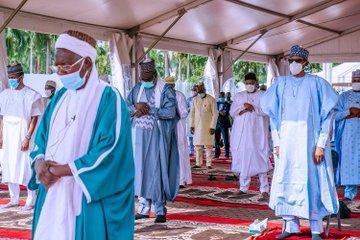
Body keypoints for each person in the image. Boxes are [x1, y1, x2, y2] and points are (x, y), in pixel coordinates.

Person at [29, 30, 134, 239]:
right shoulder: (59, 97)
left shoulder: (107, 97)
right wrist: (39, 162)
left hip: (85, 192)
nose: (60, 72)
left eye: (66, 66)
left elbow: (112, 149)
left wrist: (64, 170)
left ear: (86, 63)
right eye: (57, 66)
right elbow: (41, 137)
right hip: (52, 189)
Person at [260, 45, 339, 240]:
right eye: (291, 60)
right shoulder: (280, 84)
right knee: (286, 182)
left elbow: (327, 117)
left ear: (305, 62)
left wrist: (321, 145)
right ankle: (290, 226)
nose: (294, 63)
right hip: (286, 145)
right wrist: (276, 142)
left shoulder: (317, 84)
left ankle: (316, 230)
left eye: (298, 60)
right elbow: (273, 117)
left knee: (312, 183)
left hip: (309, 146)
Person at [128, 58, 179, 223]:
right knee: (140, 171)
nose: (145, 78)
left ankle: (159, 210)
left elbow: (170, 112)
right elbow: (125, 106)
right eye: (142, 75)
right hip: (139, 137)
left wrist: (151, 110)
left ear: (154, 73)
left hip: (157, 138)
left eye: (147, 75)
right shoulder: (137, 89)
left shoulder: (165, 90)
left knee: (156, 171)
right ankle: (143, 208)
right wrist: (136, 108)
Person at [0, 63, 42, 211]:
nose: (11, 80)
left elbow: (34, 118)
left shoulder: (32, 95)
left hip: (23, 133)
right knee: (9, 165)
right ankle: (14, 199)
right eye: (10, 77)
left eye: (14, 77)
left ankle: (30, 200)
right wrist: (1, 135)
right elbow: (2, 117)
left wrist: (27, 137)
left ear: (21, 77)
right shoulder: (4, 94)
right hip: (8, 134)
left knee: (25, 166)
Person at [230, 73, 271, 200]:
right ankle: (243, 188)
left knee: (261, 158)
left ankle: (264, 189)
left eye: (252, 82)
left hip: (258, 134)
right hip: (242, 135)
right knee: (244, 159)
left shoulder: (263, 96)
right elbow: (232, 112)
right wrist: (243, 107)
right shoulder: (239, 96)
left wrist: (253, 107)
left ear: (256, 82)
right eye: (247, 83)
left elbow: (267, 111)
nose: (249, 85)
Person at [334, 69, 360, 202]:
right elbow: (335, 115)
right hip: (348, 138)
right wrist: (348, 112)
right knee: (350, 163)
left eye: (359, 80)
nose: (357, 82)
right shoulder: (343, 97)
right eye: (355, 80)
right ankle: (349, 194)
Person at [165, 76, 192, 187]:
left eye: (170, 85)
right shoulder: (162, 96)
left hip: (178, 129)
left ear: (174, 85)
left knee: (180, 153)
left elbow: (185, 112)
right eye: (167, 85)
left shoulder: (179, 95)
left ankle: (181, 180)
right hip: (166, 129)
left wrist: (175, 113)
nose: (169, 87)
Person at [190, 82, 218, 169]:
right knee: (198, 145)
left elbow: (215, 114)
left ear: (204, 88)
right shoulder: (194, 99)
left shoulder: (211, 99)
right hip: (197, 126)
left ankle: (208, 164)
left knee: (208, 145)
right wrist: (192, 125)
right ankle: (198, 163)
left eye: (201, 87)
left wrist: (213, 126)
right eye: (198, 88)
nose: (199, 89)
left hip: (208, 126)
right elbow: (192, 113)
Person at [214, 91, 231, 158]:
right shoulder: (215, 104)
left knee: (226, 139)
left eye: (222, 96)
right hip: (216, 123)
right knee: (216, 139)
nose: (221, 97)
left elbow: (225, 113)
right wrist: (218, 112)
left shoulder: (227, 104)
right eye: (220, 96)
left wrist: (219, 112)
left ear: (224, 96)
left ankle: (227, 154)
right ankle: (216, 153)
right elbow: (213, 112)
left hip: (224, 123)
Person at [186, 85, 198, 156]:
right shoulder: (189, 99)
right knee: (190, 136)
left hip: (198, 120)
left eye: (195, 90)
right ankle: (191, 150)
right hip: (190, 120)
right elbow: (185, 109)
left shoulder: (201, 99)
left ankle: (199, 151)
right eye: (193, 90)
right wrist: (189, 109)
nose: (194, 92)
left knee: (198, 136)